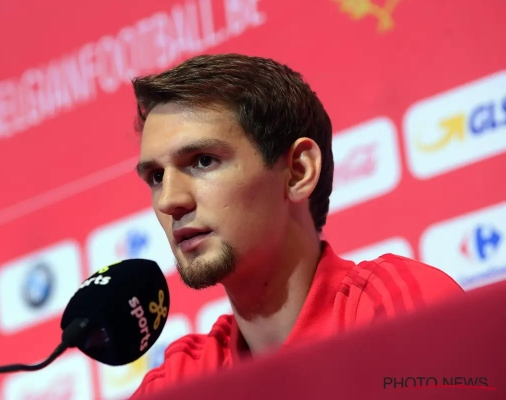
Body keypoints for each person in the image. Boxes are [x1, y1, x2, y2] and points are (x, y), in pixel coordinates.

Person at [129, 53, 464, 398]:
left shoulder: (394, 311)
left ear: (298, 172)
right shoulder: (180, 383)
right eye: (156, 177)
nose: (169, 200)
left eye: (203, 161)